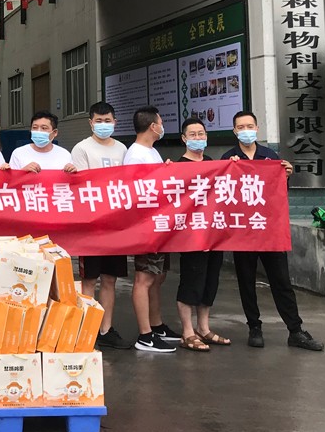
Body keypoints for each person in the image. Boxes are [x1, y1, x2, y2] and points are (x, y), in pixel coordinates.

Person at [222, 111, 324, 351]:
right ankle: (254, 327)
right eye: (240, 127)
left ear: (257, 128)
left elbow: (278, 192)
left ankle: (295, 330)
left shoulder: (270, 156)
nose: (245, 130)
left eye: (249, 126)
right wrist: (228, 170)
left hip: (269, 230)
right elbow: (224, 195)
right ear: (234, 131)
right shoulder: (228, 158)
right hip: (243, 232)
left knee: (281, 281)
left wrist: (285, 175)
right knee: (246, 281)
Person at [70, 102, 131, 350]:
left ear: (115, 122)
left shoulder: (122, 149)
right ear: (90, 122)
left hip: (115, 224)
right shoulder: (81, 148)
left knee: (110, 279)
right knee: (89, 280)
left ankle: (106, 329)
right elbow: (83, 185)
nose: (103, 125)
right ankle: (87, 330)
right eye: (99, 121)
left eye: (107, 121)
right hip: (92, 225)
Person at [124, 105, 178, 353]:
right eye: (161, 122)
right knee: (144, 278)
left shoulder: (151, 152)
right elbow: (136, 192)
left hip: (160, 223)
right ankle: (145, 335)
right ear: (152, 126)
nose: (162, 126)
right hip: (146, 226)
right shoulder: (135, 155)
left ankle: (157, 326)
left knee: (158, 276)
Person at [173, 117, 228, 352]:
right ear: (184, 138)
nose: (198, 138)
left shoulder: (213, 164)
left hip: (213, 234)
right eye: (193, 134)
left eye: (201, 134)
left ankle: (203, 328)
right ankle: (187, 332)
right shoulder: (177, 167)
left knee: (210, 281)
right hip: (191, 235)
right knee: (191, 281)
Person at [9, 111, 76, 172]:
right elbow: (11, 180)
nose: (39, 131)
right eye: (35, 127)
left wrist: (71, 172)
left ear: (55, 132)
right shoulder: (19, 153)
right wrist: (23, 172)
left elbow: (71, 180)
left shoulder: (64, 155)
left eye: (44, 128)